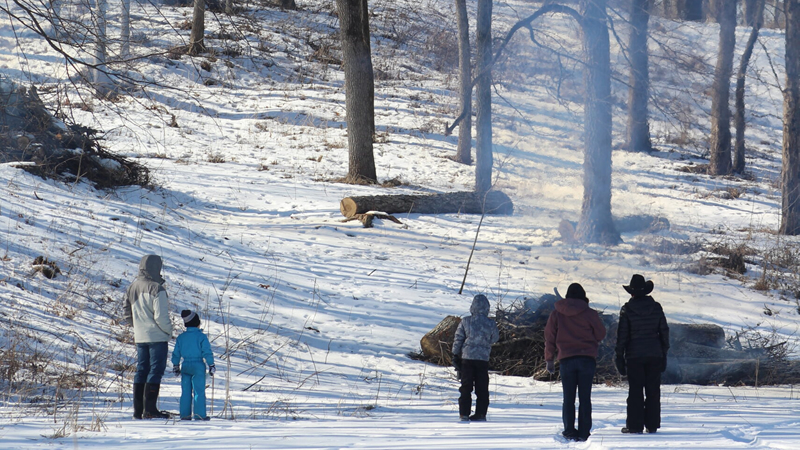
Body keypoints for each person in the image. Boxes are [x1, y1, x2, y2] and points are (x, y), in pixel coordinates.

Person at [545, 283, 607, 442]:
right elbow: (600, 334)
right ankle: (584, 432)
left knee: (568, 398)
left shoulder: (556, 314)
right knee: (585, 398)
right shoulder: (590, 313)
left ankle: (569, 430)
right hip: (587, 359)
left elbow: (550, 338)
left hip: (566, 359)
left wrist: (549, 359)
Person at [615, 274, 670, 434]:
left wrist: (619, 355)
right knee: (653, 391)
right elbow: (664, 332)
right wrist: (664, 352)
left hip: (634, 356)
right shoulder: (656, 307)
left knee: (635, 391)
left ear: (631, 292)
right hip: (654, 354)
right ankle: (652, 425)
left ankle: (634, 426)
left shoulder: (627, 309)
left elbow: (622, 336)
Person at [124, 254, 173, 419]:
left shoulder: (132, 286)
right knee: (155, 371)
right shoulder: (157, 288)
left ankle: (138, 411)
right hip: (157, 336)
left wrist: (137, 326)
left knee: (141, 370)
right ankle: (150, 409)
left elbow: (126, 312)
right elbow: (161, 317)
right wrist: (169, 331)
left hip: (140, 336)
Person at [451, 294, 500, 422]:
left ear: (472, 307)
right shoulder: (490, 323)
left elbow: (458, 339)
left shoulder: (466, 321)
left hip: (467, 358)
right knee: (482, 387)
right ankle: (481, 414)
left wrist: (455, 354)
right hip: (483, 359)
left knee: (466, 387)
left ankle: (464, 414)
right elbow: (495, 338)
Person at [172, 310, 216, 421]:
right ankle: (199, 415)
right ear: (197, 323)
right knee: (199, 391)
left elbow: (176, 353)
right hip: (198, 365)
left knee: (185, 391)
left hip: (185, 365)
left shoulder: (181, 337)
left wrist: (176, 365)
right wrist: (211, 364)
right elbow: (207, 351)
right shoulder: (201, 337)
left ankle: (185, 415)